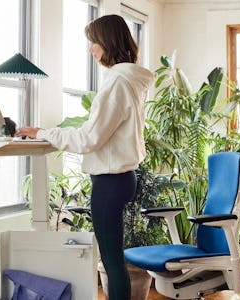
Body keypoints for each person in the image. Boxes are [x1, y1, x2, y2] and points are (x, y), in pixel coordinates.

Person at [16, 14, 154, 300]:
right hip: (122, 178)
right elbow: (99, 130)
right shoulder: (130, 80)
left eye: (93, 41)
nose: (91, 48)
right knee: (114, 258)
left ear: (107, 42)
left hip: (110, 182)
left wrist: (44, 132)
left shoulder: (117, 83)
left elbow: (89, 138)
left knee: (112, 260)